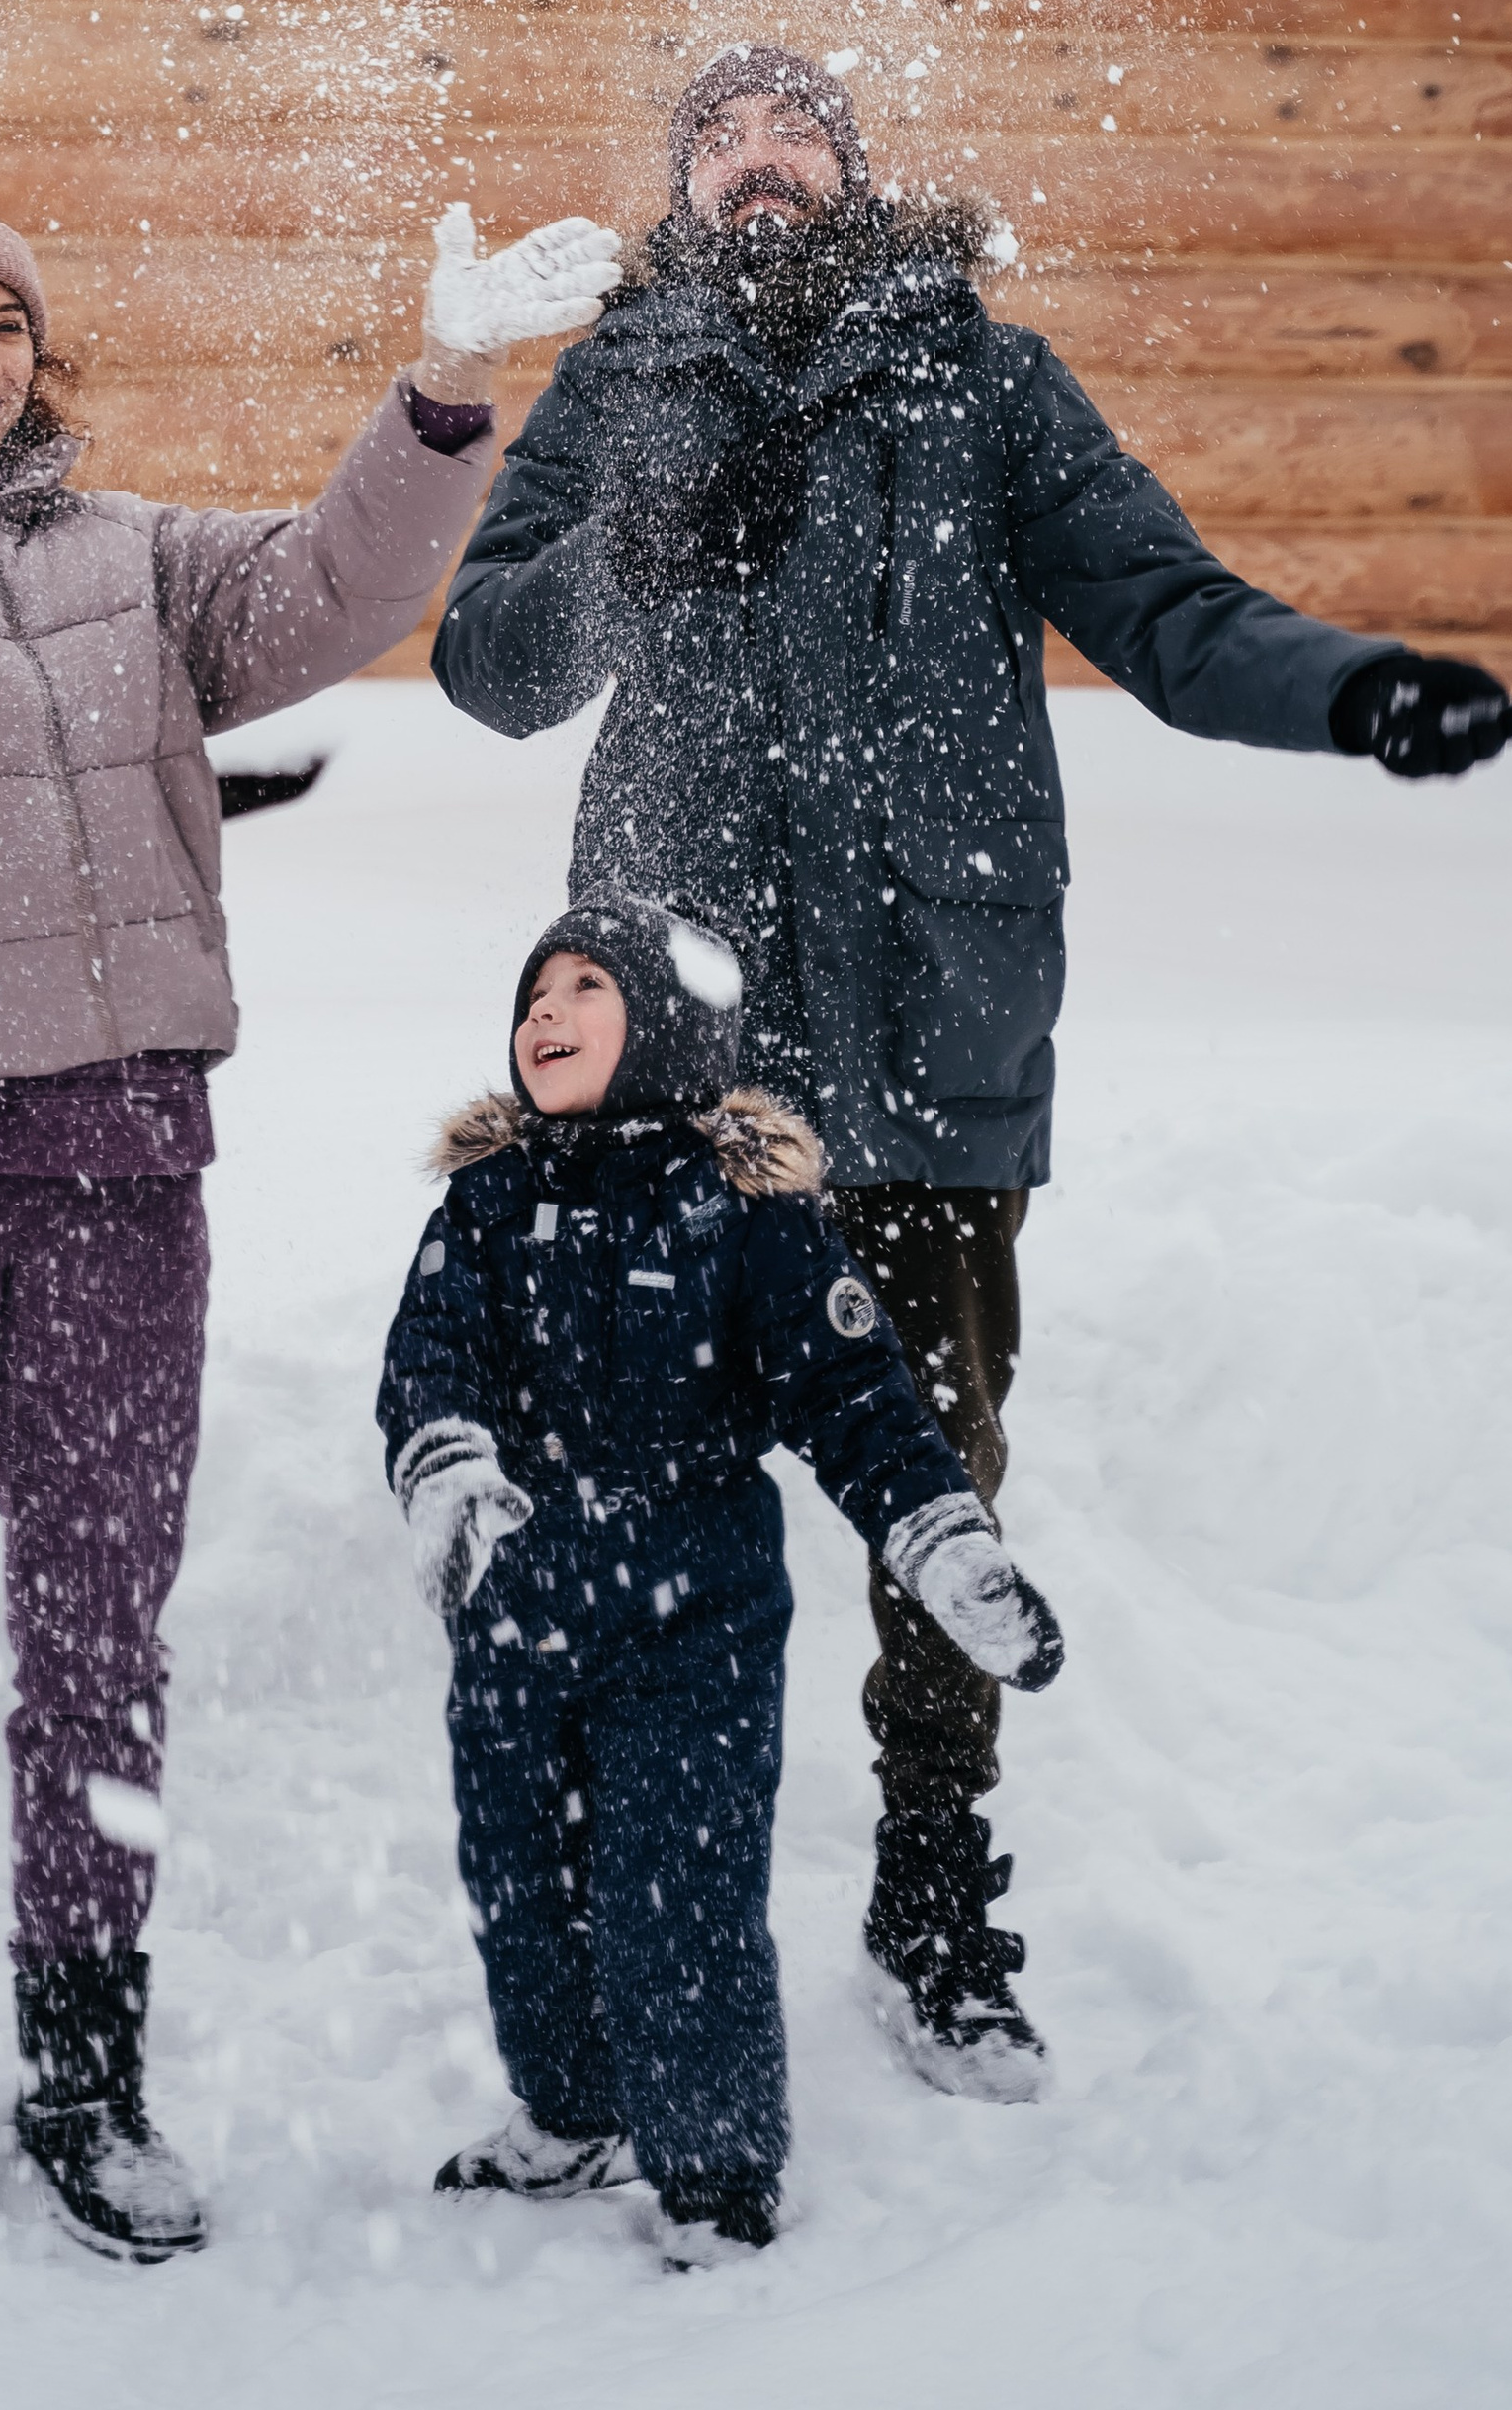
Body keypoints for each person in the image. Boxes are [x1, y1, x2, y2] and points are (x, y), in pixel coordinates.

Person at [431, 43, 1512, 2097]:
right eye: (720, 138)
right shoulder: (620, 388)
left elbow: (1170, 615)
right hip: (679, 1064)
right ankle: (623, 1900)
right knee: (625, 1496)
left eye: (797, 130)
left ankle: (931, 1887)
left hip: (929, 1037)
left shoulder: (983, 381)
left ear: (855, 173)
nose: (760, 158)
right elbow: (489, 668)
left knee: (935, 1486)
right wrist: (632, 538)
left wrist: (1355, 692)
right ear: (680, 190)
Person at [0, 176, 618, 2255]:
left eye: (6, 318)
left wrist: (443, 384)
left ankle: (87, 2082)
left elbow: (332, 588)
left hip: (116, 1164)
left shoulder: (126, 557)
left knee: (100, 1644)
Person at [378, 896, 1063, 2263]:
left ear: (673, 1027)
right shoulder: (488, 1199)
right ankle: (575, 2110)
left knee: (677, 1891)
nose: (547, 1012)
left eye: (588, 986)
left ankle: (716, 2165)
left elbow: (855, 1398)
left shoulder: (747, 1210)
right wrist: (447, 1469)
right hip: (519, 1609)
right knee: (522, 1883)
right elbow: (429, 1356)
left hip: (692, 1615)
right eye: (535, 993)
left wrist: (941, 1539)